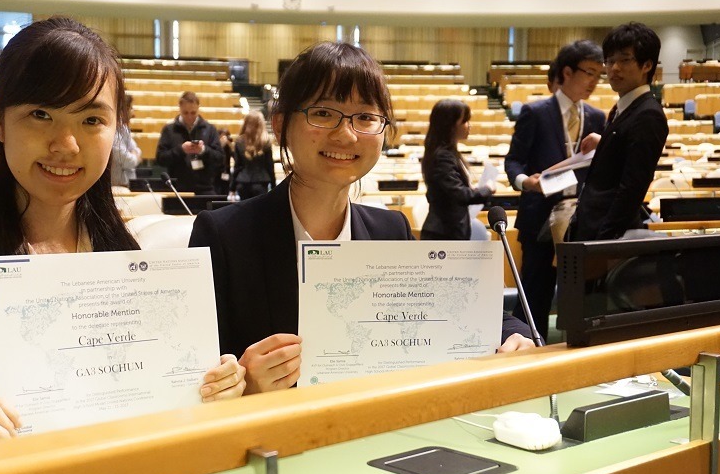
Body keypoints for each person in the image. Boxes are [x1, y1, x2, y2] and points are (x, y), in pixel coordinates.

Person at [0, 17, 245, 462]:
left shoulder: (123, 259)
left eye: (91, 119)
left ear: (115, 129)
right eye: (41, 115)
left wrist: (206, 390)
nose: (66, 144)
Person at [189, 42, 535, 395]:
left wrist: (514, 336)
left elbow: (448, 311)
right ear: (280, 125)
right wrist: (244, 386)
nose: (347, 134)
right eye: (323, 113)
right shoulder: (223, 235)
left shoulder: (390, 230)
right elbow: (188, 377)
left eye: (366, 117)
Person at [504, 40, 606, 341]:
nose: (595, 81)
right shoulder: (535, 112)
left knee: (584, 298)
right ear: (567, 71)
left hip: (582, 220)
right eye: (590, 72)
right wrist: (526, 182)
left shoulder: (598, 118)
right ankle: (526, 359)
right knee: (535, 295)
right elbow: (513, 161)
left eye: (599, 74)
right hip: (540, 219)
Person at [568, 22, 669, 242]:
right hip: (591, 229)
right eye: (610, 60)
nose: (614, 68)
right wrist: (604, 143)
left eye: (625, 60)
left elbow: (632, 188)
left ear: (647, 65)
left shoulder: (648, 115)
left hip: (605, 239)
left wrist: (605, 241)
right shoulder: (624, 108)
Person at [420, 99, 495, 241]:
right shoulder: (442, 156)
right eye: (465, 121)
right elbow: (459, 194)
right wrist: (487, 189)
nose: (469, 126)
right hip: (443, 236)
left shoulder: (447, 153)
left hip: (452, 231)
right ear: (450, 125)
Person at [155, 91, 224, 195]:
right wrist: (181, 150)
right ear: (180, 109)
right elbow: (160, 158)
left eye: (193, 113)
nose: (189, 116)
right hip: (178, 189)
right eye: (185, 113)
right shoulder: (169, 130)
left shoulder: (210, 129)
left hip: (205, 188)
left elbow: (220, 158)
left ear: (198, 109)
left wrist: (203, 150)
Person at [229, 111, 275, 201]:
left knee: (245, 213)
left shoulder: (239, 141)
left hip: (243, 182)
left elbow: (237, 166)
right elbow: (269, 166)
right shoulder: (266, 142)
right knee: (259, 213)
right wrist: (273, 185)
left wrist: (232, 188)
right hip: (260, 183)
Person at [109, 94, 142, 187]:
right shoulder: (113, 133)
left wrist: (134, 153)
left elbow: (137, 150)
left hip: (128, 184)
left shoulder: (124, 129)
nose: (133, 111)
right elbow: (129, 161)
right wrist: (134, 155)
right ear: (123, 111)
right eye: (131, 108)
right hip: (116, 186)